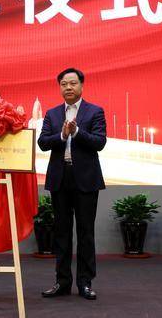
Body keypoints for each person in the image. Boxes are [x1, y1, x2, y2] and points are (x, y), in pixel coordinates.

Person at [38, 67, 107, 301]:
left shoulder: (94, 111)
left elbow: (99, 142)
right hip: (60, 179)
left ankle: (85, 283)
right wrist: (62, 135)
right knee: (61, 233)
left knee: (86, 233)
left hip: (86, 180)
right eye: (64, 84)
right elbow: (43, 143)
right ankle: (62, 282)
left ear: (81, 86)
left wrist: (76, 131)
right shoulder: (52, 114)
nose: (68, 87)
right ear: (60, 87)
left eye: (73, 83)